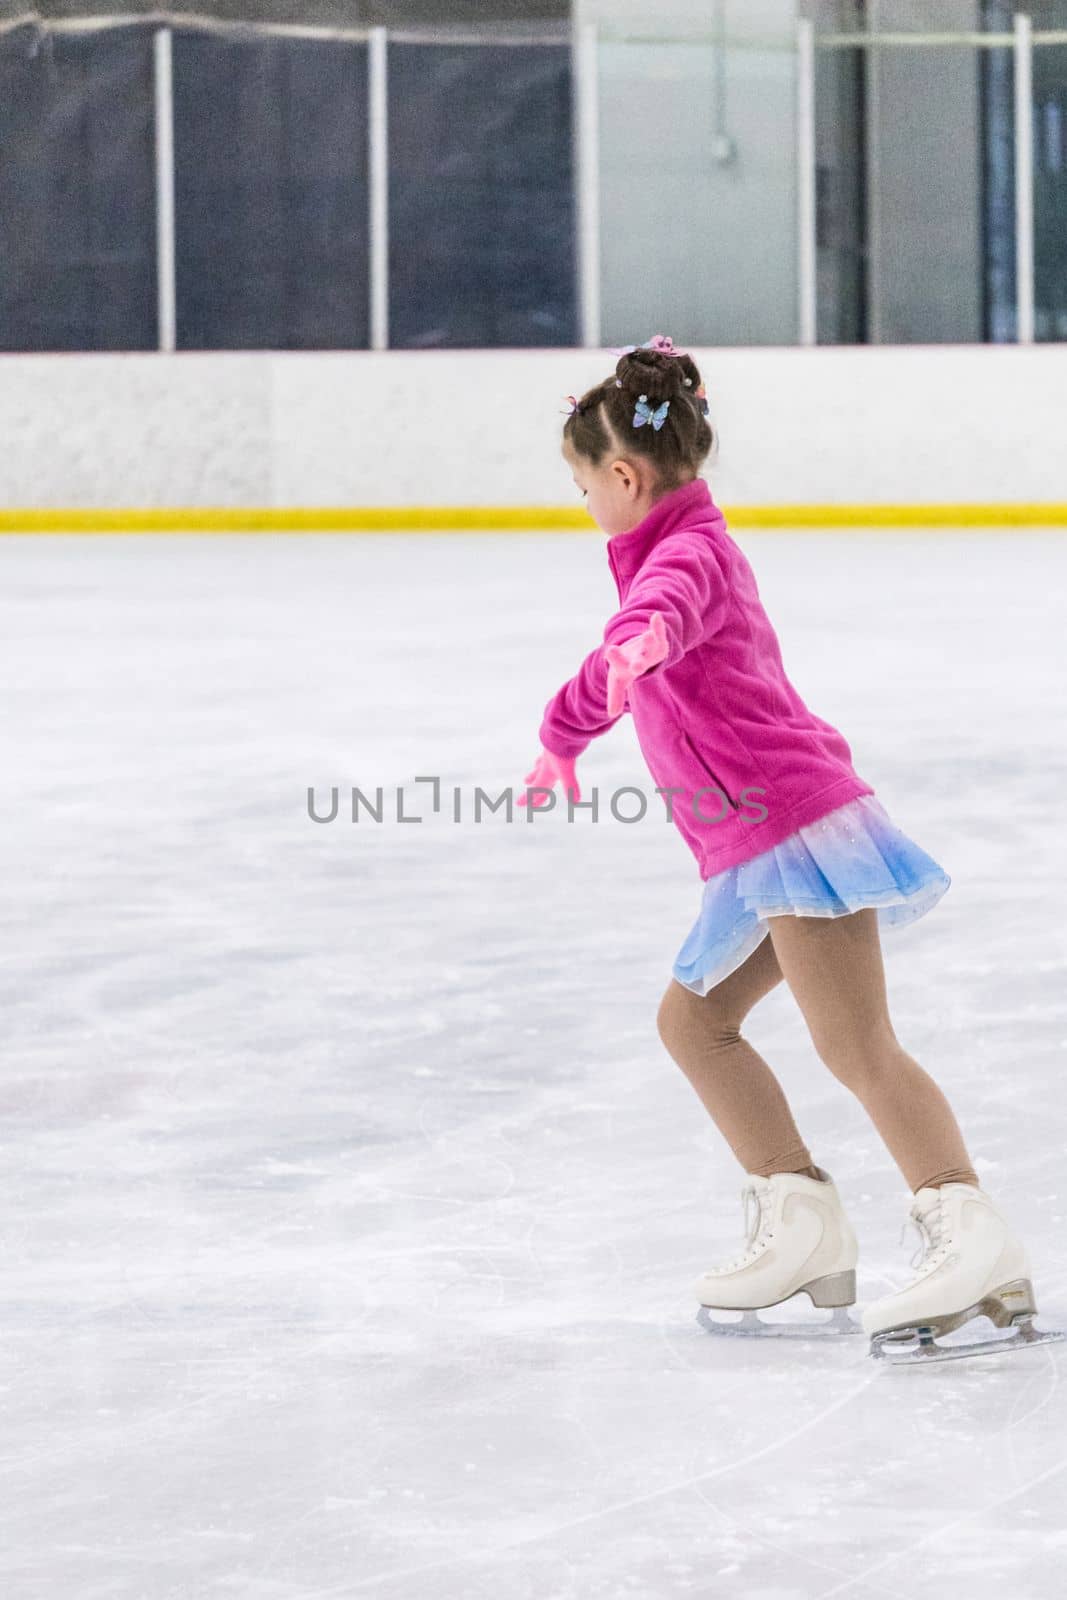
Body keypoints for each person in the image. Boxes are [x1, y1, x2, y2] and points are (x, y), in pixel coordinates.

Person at [516, 337, 1057, 1363]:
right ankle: (800, 1216)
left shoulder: (686, 557)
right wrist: (560, 735)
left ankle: (967, 1228)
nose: (586, 504)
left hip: (796, 826)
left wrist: (639, 643)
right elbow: (620, 652)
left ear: (622, 476)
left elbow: (657, 617)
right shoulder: (659, 557)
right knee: (693, 1024)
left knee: (853, 1044)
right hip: (747, 845)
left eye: (583, 487)